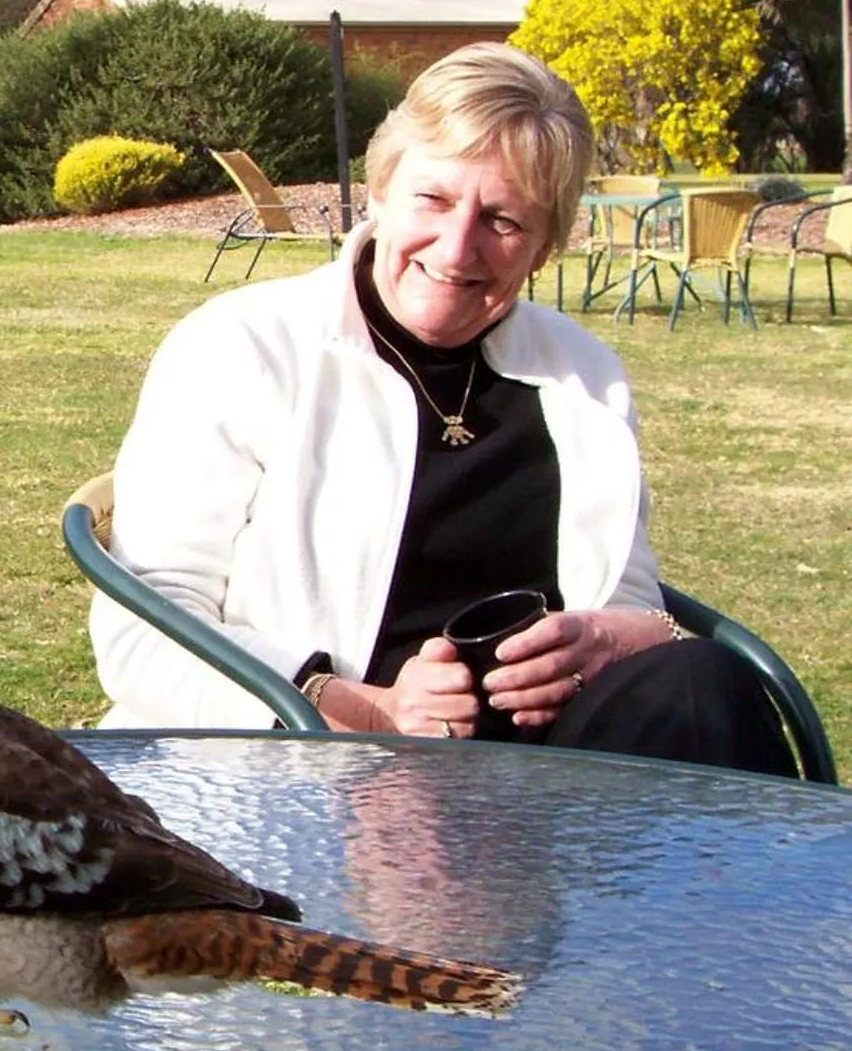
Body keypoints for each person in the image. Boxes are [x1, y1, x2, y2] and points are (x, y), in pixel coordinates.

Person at [89, 42, 795, 777]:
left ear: (545, 246)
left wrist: (608, 637)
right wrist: (363, 708)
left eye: (504, 220)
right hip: (317, 769)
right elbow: (147, 629)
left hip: (540, 783)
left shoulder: (584, 376)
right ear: (382, 189)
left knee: (703, 683)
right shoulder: (243, 348)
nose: (458, 249)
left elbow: (629, 598)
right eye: (434, 199)